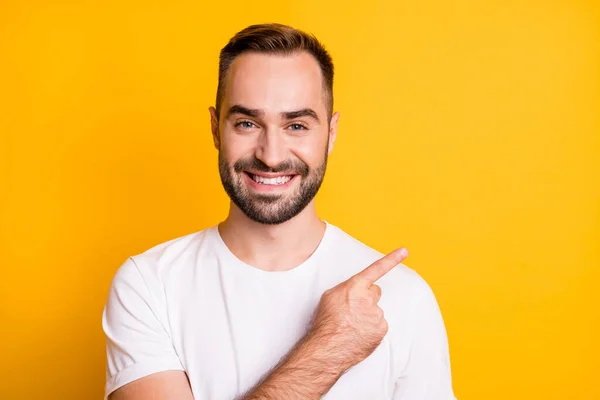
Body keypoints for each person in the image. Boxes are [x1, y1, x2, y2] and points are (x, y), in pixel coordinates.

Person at [102, 23, 457, 400]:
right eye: (247, 123)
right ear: (215, 129)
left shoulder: (404, 296)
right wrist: (332, 346)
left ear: (331, 133)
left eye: (297, 125)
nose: (271, 155)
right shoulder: (149, 285)